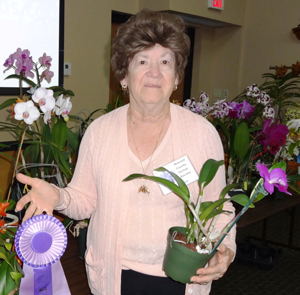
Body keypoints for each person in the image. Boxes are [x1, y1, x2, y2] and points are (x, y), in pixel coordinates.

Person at [16, 9, 236, 295]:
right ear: (124, 75)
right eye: (142, 61)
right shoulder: (100, 131)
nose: (154, 72)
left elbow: (219, 206)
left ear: (177, 77)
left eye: (165, 62)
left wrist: (225, 248)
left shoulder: (201, 134)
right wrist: (57, 195)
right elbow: (83, 199)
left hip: (181, 278)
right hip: (113, 276)